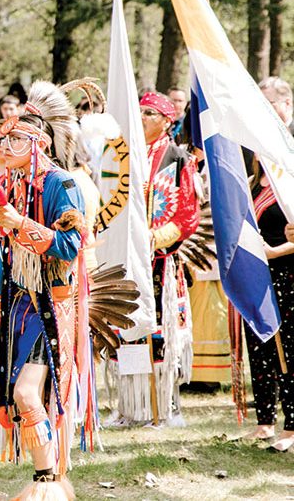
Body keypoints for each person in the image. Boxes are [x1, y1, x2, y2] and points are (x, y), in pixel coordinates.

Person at [0, 81, 86, 499]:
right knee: (20, 394)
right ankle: (50, 477)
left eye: (15, 139)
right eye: (3, 138)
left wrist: (21, 225)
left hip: (52, 307)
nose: (4, 145)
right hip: (20, 306)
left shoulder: (61, 184)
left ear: (38, 143)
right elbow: (8, 265)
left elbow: (70, 247)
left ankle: (47, 485)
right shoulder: (12, 187)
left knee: (29, 393)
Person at [114, 91, 199, 425]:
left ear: (168, 120)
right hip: (127, 260)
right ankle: (132, 405)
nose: (143, 117)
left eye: (150, 113)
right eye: (140, 112)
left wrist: (152, 238)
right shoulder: (123, 155)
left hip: (160, 262)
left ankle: (164, 405)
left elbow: (187, 217)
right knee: (128, 328)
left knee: (162, 331)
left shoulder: (179, 159)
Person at [243, 163, 294, 450]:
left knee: (286, 349)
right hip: (257, 274)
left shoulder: (288, 181)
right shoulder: (252, 182)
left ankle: (292, 425)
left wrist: (275, 252)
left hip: (285, 273)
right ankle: (265, 421)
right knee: (259, 348)